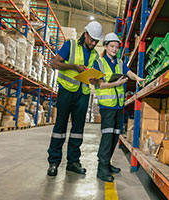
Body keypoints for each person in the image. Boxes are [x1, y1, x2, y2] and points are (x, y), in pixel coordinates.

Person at [46, 21, 103, 176]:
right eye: (92, 39)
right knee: (60, 128)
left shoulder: (95, 55)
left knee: (78, 130)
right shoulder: (70, 45)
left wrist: (94, 80)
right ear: (85, 34)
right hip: (66, 91)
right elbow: (54, 63)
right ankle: (53, 162)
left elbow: (95, 77)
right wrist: (73, 66)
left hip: (83, 94)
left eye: (96, 41)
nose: (93, 43)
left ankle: (73, 162)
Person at [93, 33, 145, 182]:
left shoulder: (120, 63)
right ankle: (101, 168)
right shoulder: (99, 63)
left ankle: (107, 163)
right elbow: (100, 84)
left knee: (115, 136)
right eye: (112, 46)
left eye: (116, 47)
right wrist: (115, 84)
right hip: (107, 106)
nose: (115, 49)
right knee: (107, 137)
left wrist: (137, 78)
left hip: (118, 106)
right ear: (106, 46)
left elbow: (128, 72)